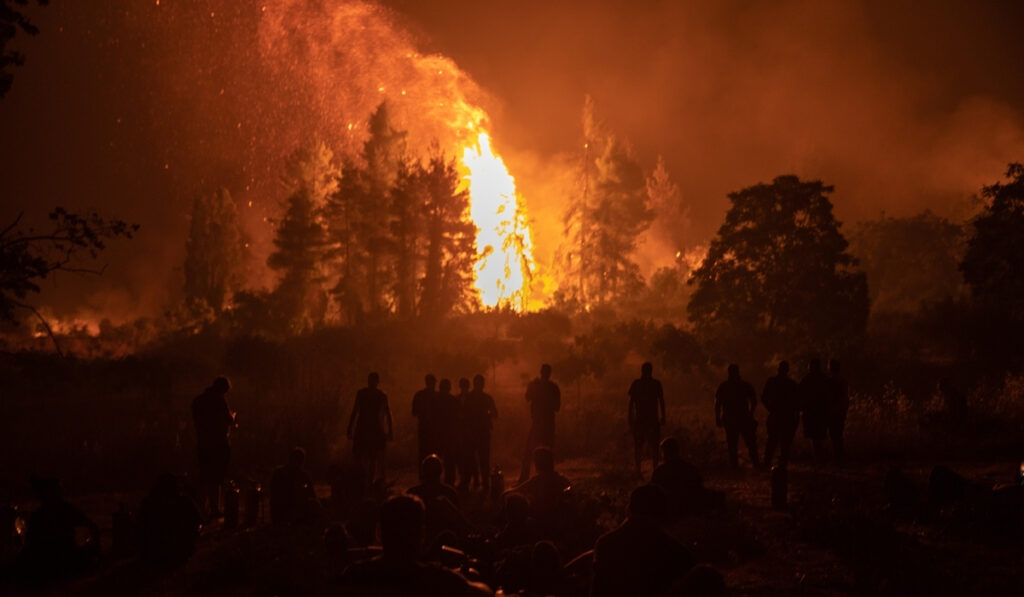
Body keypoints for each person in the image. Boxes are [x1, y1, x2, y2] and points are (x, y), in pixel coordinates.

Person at [338, 495, 491, 596]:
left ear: (379, 532)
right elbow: (483, 593)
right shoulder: (437, 578)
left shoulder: (355, 575)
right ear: (421, 534)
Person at [591, 484, 694, 597]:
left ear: (629, 509)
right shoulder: (677, 553)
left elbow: (598, 591)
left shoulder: (606, 544)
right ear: (662, 514)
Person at [19, 477, 100, 579]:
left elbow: (29, 541)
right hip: (61, 559)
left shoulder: (41, 514)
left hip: (54, 560)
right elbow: (91, 525)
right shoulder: (62, 511)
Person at [136, 473, 202, 568]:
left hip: (152, 553)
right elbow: (198, 522)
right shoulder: (183, 503)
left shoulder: (147, 503)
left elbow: (139, 527)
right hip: (175, 552)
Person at [191, 376, 235, 516]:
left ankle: (200, 507)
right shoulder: (219, 400)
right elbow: (228, 420)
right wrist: (232, 417)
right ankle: (215, 508)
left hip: (203, 443)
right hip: (218, 443)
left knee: (204, 476)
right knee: (216, 477)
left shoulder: (198, 401)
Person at [347, 372, 393, 486]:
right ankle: (360, 480)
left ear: (377, 382)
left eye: (373, 381)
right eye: (370, 380)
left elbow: (387, 414)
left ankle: (369, 481)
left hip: (373, 428)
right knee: (359, 456)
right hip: (364, 427)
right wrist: (350, 427)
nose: (371, 383)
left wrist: (390, 430)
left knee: (372, 457)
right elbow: (355, 411)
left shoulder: (381, 395)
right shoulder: (362, 394)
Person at [519, 364, 561, 483]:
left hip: (544, 423)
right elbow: (528, 397)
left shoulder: (551, 387)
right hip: (541, 423)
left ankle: (531, 477)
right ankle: (527, 477)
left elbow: (557, 407)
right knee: (534, 450)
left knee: (536, 450)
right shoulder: (548, 386)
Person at [506, 447, 570, 522]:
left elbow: (517, 490)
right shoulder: (562, 480)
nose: (535, 463)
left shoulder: (538, 480)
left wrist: (506, 492)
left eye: (536, 461)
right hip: (558, 521)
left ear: (539, 463)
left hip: (540, 520)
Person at [714, 364, 760, 469]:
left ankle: (735, 466)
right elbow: (754, 401)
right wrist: (751, 413)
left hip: (730, 418)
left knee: (732, 444)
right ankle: (755, 463)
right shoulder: (744, 385)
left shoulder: (724, 386)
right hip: (743, 417)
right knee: (750, 442)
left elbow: (717, 403)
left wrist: (717, 417)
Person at [629, 362, 666, 478]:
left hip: (643, 419)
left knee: (641, 446)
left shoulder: (638, 384)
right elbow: (661, 401)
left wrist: (630, 418)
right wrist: (663, 416)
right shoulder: (655, 384)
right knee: (651, 446)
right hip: (649, 419)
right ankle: (650, 470)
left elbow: (631, 403)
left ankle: (640, 471)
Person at [461, 374, 498, 491]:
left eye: (480, 383)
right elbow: (463, 415)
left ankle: (482, 482)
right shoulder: (473, 398)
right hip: (472, 432)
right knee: (471, 458)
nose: (479, 385)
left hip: (481, 432)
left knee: (482, 459)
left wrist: (488, 414)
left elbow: (495, 413)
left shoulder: (482, 398)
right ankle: (475, 481)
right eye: (478, 383)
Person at [651, 437, 704, 515]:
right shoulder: (690, 468)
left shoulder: (659, 471)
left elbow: (654, 492)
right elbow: (699, 487)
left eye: (663, 452)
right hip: (690, 506)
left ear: (664, 453)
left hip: (669, 508)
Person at [762, 361, 800, 468]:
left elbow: (764, 398)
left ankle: (767, 462)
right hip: (786, 416)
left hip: (776, 415)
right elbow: (797, 403)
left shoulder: (772, 382)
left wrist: (770, 409)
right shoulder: (791, 384)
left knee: (773, 440)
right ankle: (781, 463)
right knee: (784, 442)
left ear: (778, 369)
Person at [270, 447, 320, 524]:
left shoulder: (279, 472)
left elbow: (311, 494)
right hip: (287, 513)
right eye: (300, 461)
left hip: (280, 514)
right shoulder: (283, 474)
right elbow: (311, 495)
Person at [799, 359, 829, 460]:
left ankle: (818, 456)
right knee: (819, 435)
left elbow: (800, 394)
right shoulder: (824, 379)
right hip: (821, 411)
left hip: (811, 411)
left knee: (814, 435)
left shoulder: (806, 380)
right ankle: (820, 456)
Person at [435, 379, 461, 486]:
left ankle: (436, 478)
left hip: (440, 432)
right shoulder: (452, 400)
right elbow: (458, 417)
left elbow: (432, 417)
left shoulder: (435, 400)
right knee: (449, 457)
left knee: (438, 457)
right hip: (449, 432)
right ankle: (450, 480)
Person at [412, 374, 440, 463]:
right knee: (434, 451)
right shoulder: (437, 396)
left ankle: (423, 472)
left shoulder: (419, 395)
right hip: (434, 428)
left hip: (424, 428)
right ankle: (433, 471)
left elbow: (414, 412)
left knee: (423, 452)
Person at [826, 359, 849, 463]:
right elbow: (845, 397)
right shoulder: (843, 380)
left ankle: (838, 456)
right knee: (838, 434)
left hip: (833, 411)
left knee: (834, 435)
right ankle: (839, 456)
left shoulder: (830, 381)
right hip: (840, 411)